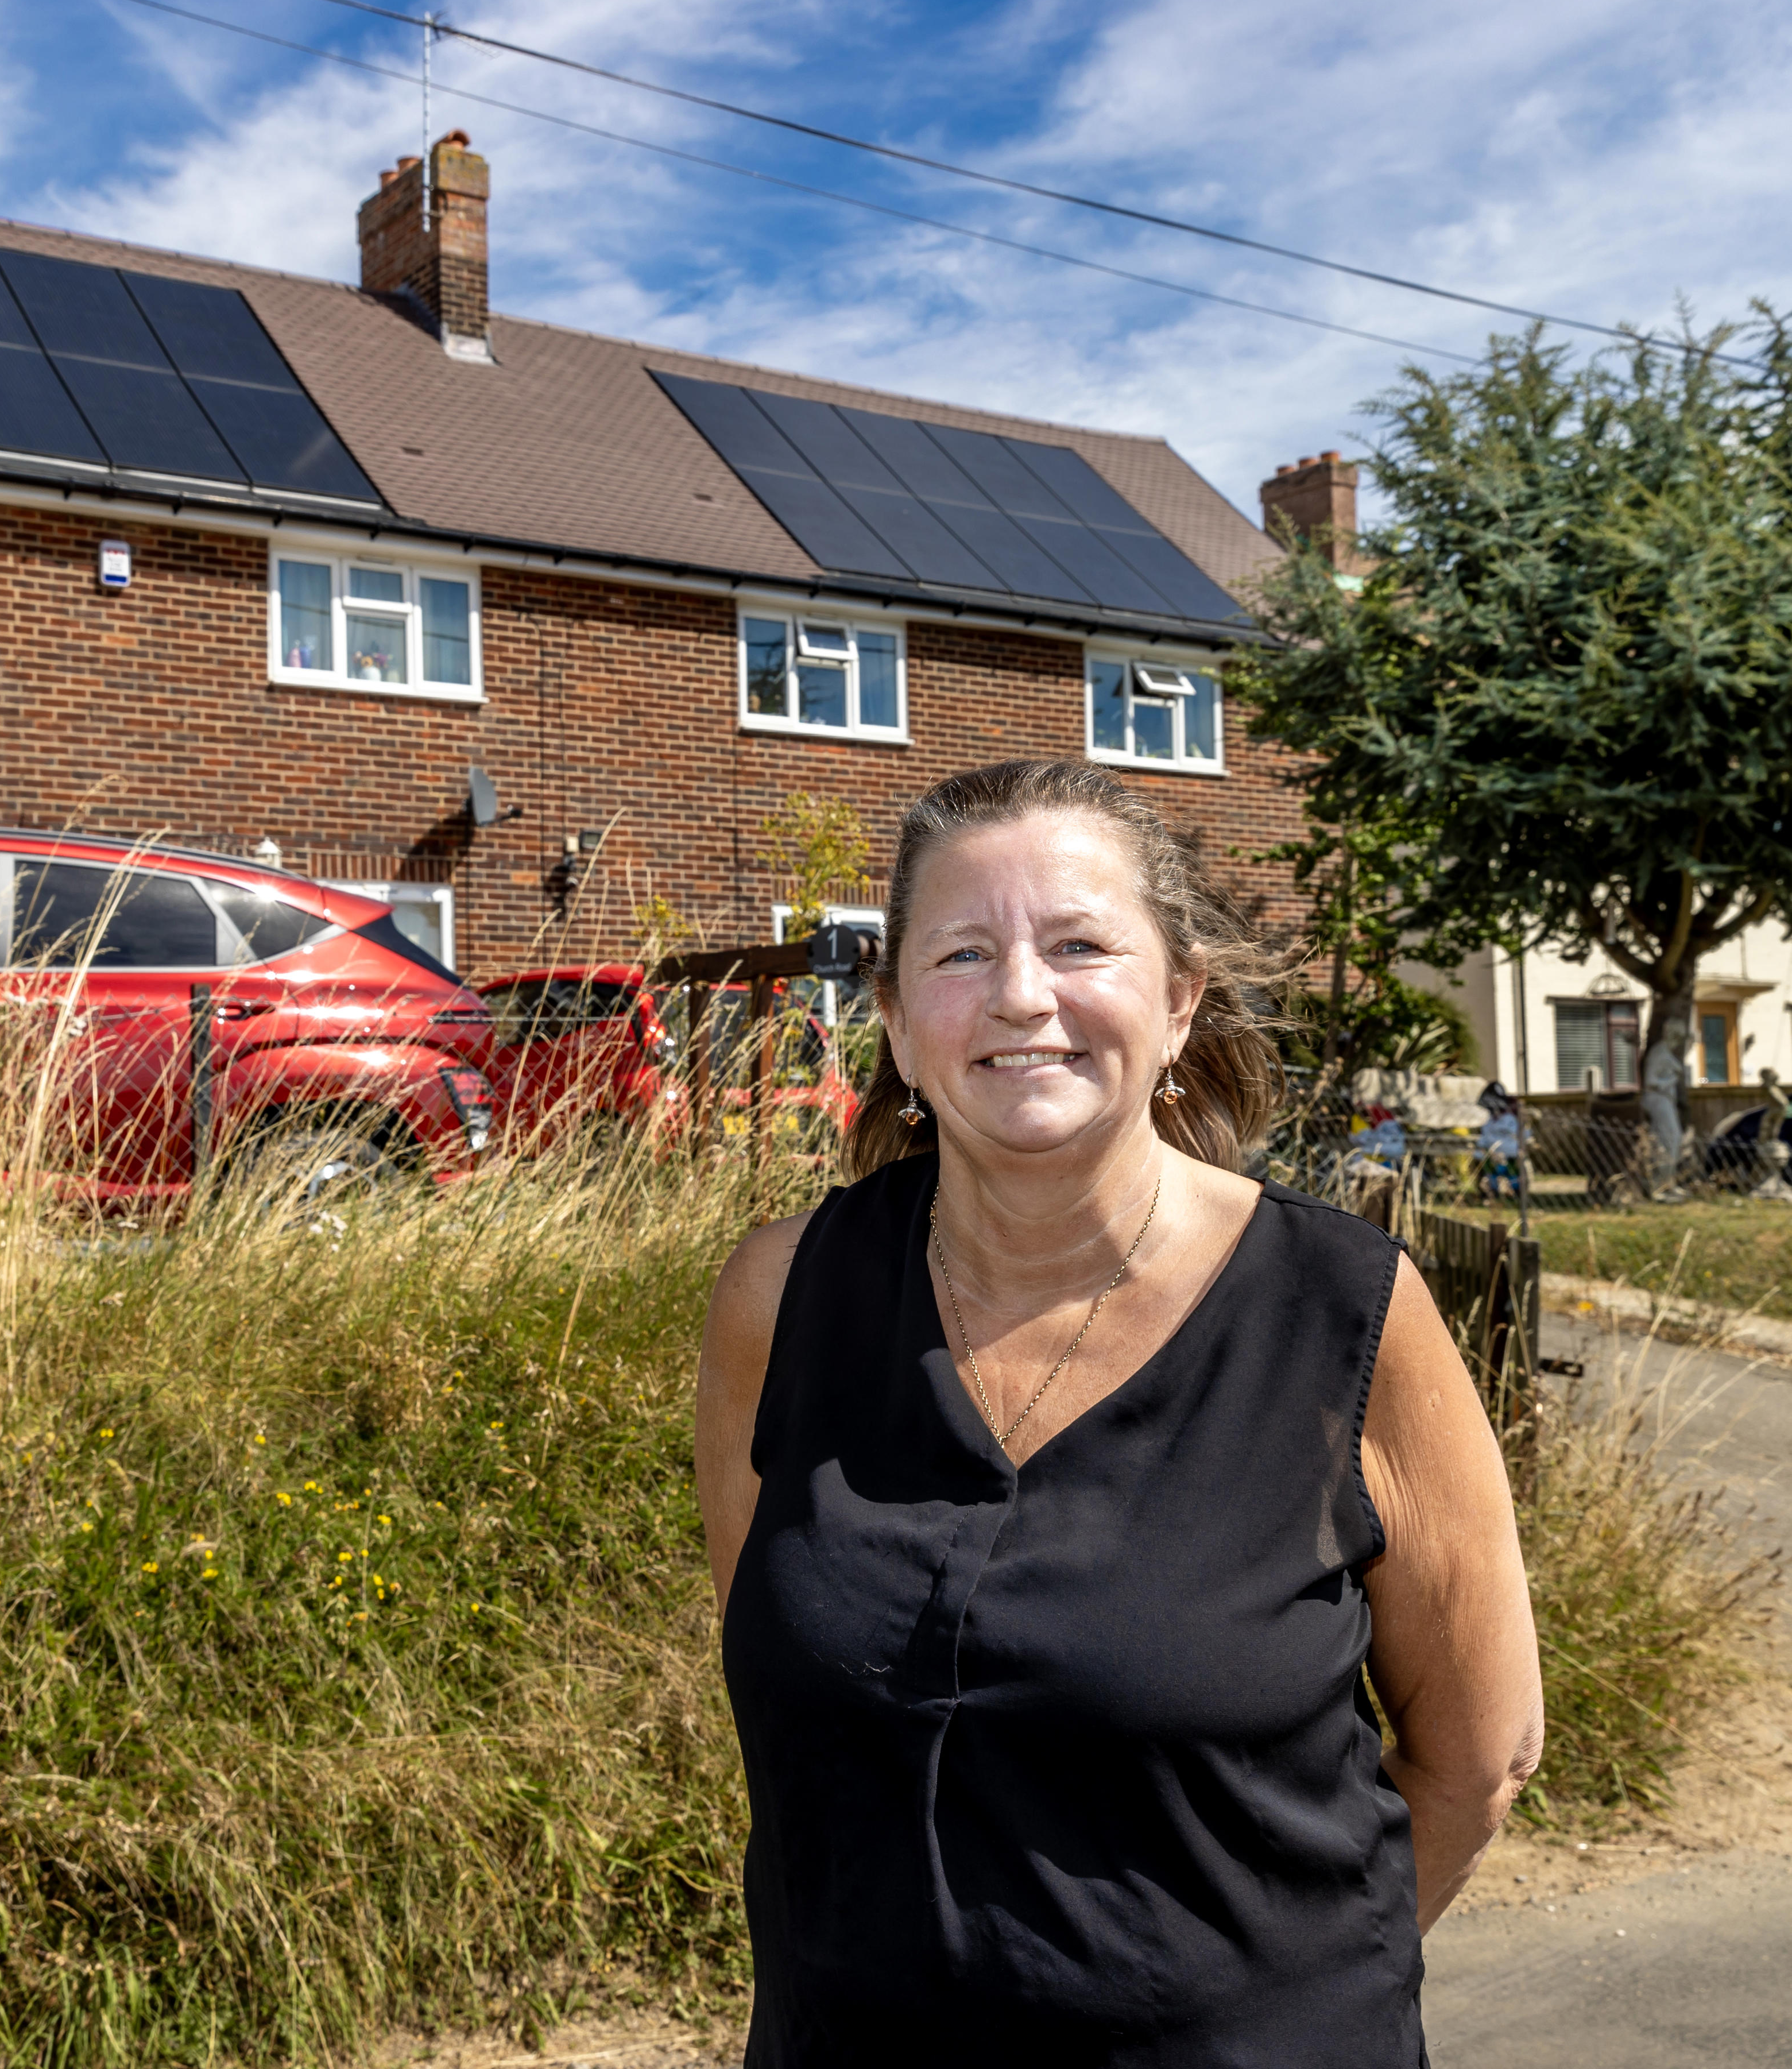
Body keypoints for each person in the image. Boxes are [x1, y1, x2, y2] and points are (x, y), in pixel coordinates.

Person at [696, 761, 1541, 2066]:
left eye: (1079, 944)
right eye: (961, 954)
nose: (1021, 996)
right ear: (900, 1019)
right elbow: (798, 1723)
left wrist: (1279, 2007)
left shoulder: (1342, 1313)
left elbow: (1477, 1761)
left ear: (1180, 997)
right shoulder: (780, 1298)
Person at [1638, 1012, 1690, 1202]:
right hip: (1658, 1101)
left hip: (1666, 1101)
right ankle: (1659, 1188)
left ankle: (1669, 1185)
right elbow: (1651, 1082)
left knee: (1672, 1142)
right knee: (1667, 1142)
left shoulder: (1666, 1052)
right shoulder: (1659, 1053)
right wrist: (1673, 1078)